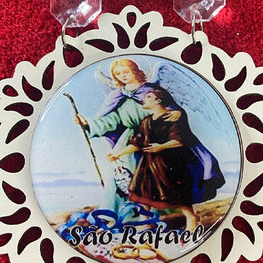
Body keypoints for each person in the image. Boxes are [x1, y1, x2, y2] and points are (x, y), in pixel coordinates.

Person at [108, 88, 225, 231]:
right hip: (148, 164)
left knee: (178, 195)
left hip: (171, 163)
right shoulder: (146, 122)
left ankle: (191, 221)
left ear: (158, 100)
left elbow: (179, 140)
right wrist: (118, 154)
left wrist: (161, 147)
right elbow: (137, 142)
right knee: (144, 192)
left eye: (148, 96)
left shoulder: (173, 118)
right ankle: (146, 222)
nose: (144, 99)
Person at [74, 59, 180, 213]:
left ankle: (161, 212)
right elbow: (113, 119)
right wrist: (87, 123)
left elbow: (168, 108)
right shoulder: (117, 96)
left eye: (126, 72)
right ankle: (123, 213)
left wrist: (176, 113)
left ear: (135, 71)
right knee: (122, 176)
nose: (122, 76)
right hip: (129, 140)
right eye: (118, 74)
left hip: (156, 135)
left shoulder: (152, 91)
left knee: (158, 174)